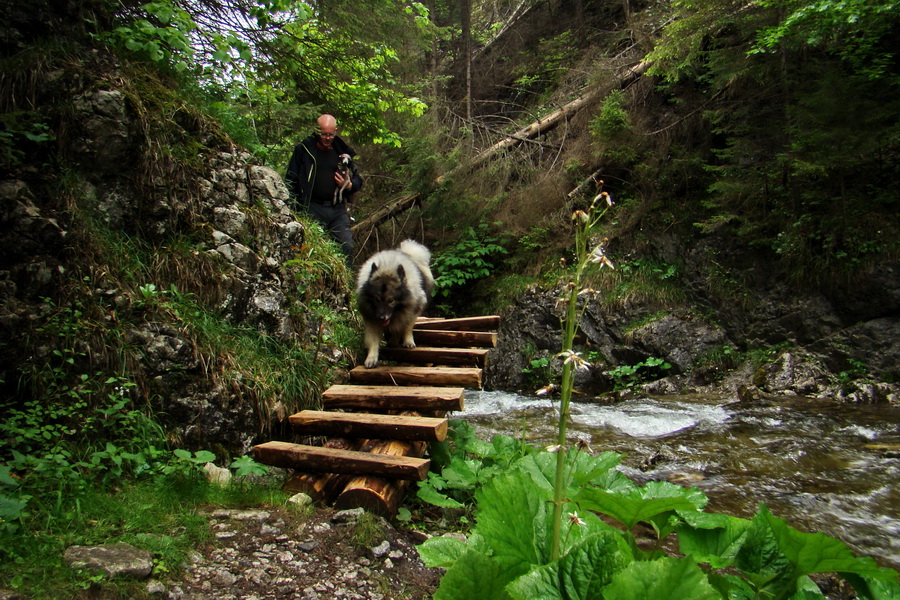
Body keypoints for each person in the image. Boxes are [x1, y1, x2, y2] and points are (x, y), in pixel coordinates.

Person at [285, 114, 363, 259]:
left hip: (337, 209)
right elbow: (291, 179)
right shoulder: (304, 150)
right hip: (312, 208)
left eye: (331, 134)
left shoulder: (343, 152)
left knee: (346, 247)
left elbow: (359, 180)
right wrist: (293, 209)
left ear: (336, 131)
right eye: (324, 134)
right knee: (313, 250)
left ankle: (344, 281)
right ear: (316, 131)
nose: (327, 138)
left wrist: (349, 185)